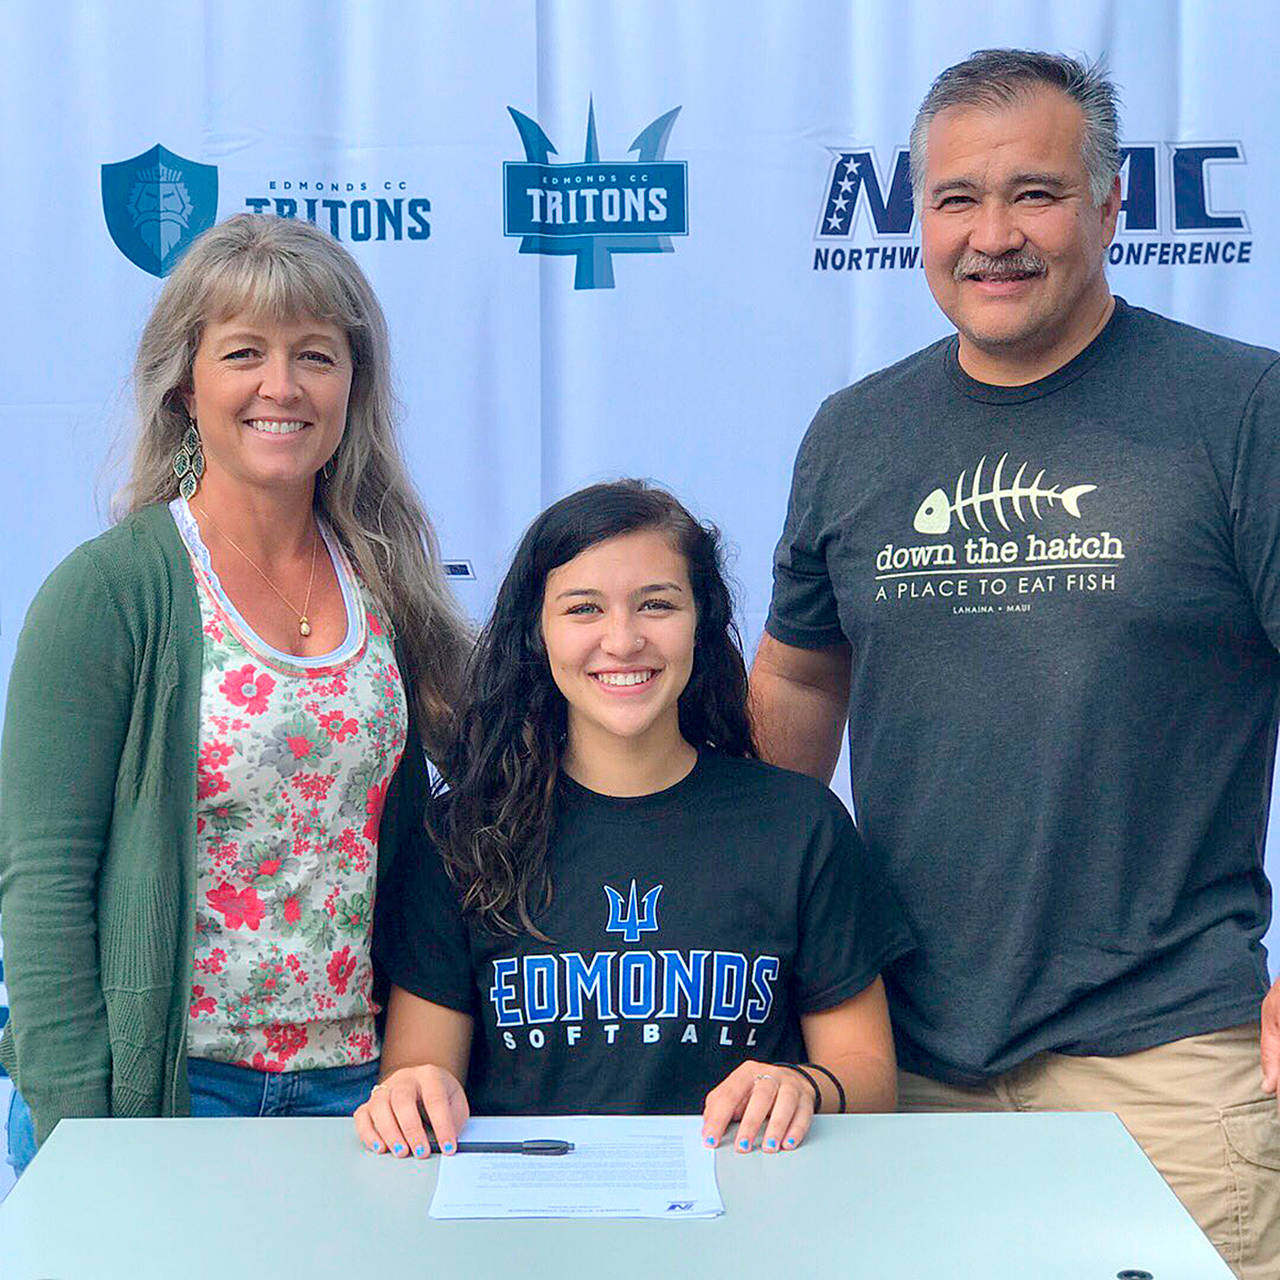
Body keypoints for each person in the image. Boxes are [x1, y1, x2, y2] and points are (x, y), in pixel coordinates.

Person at [752, 48, 1280, 1278]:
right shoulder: (852, 432)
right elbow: (795, 682)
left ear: (1107, 206)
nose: (992, 235)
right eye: (954, 201)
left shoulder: (1240, 411)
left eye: (1034, 194)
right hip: (898, 1063)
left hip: (1164, 1064)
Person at [0, 214, 470, 1171]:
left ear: (353, 385)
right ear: (186, 383)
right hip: (170, 1096)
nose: (281, 387)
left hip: (357, 1094)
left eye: (316, 356)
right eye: (244, 353)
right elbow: (42, 894)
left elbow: (443, 832)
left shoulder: (388, 585)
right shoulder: (110, 594)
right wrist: (83, 1141)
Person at [355, 480, 911, 1158]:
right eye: (583, 609)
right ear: (537, 632)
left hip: (742, 1218)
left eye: (656, 605)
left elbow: (870, 1076)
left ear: (701, 622)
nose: (622, 640)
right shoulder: (462, 836)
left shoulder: (800, 826)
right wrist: (413, 1095)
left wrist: (805, 1086)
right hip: (525, 1227)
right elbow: (419, 1070)